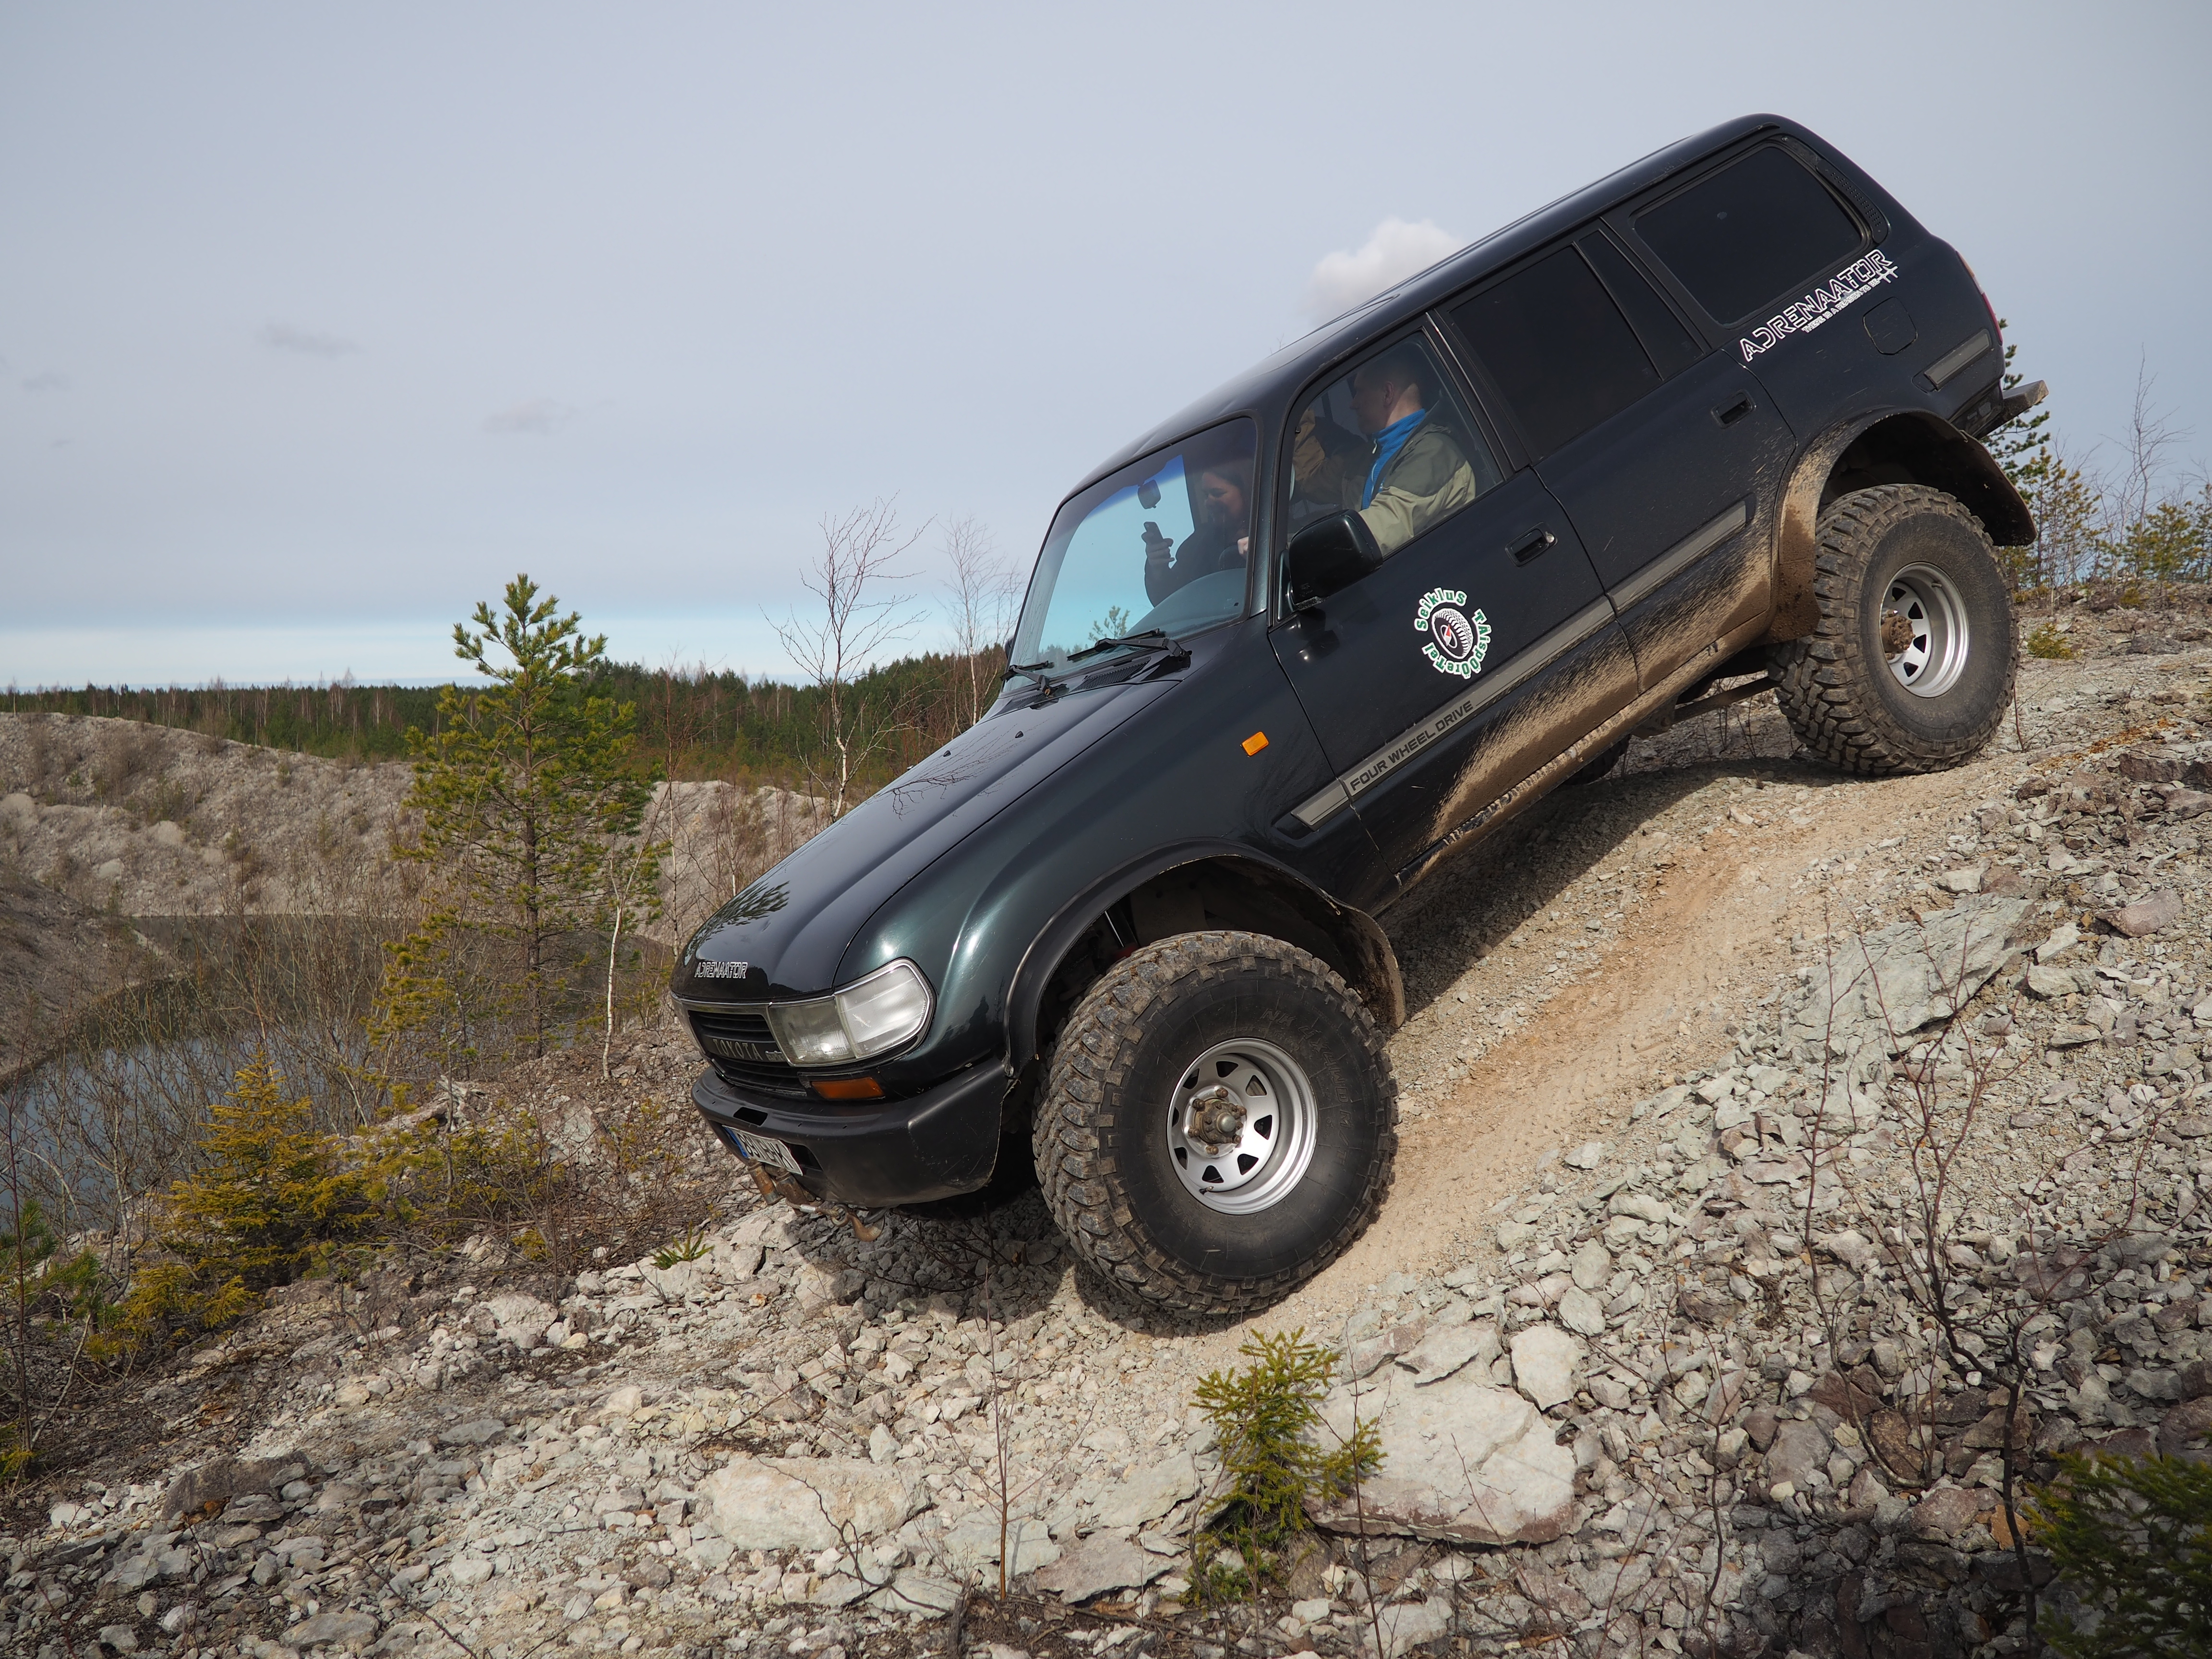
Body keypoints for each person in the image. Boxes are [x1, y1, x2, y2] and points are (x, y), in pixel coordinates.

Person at [1292, 344, 1479, 555]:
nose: (1353, 404)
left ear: (1387, 393)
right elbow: (1321, 492)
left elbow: (1375, 530)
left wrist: (1300, 551)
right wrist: (1281, 543)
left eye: (1359, 392)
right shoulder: (1370, 457)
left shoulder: (1435, 452)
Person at [1142, 457, 1253, 605]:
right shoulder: (1199, 543)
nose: (1208, 502)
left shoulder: (1273, 533)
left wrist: (1261, 557)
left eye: (1218, 494)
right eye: (1206, 496)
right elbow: (1169, 602)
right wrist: (1157, 569)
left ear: (1246, 492)